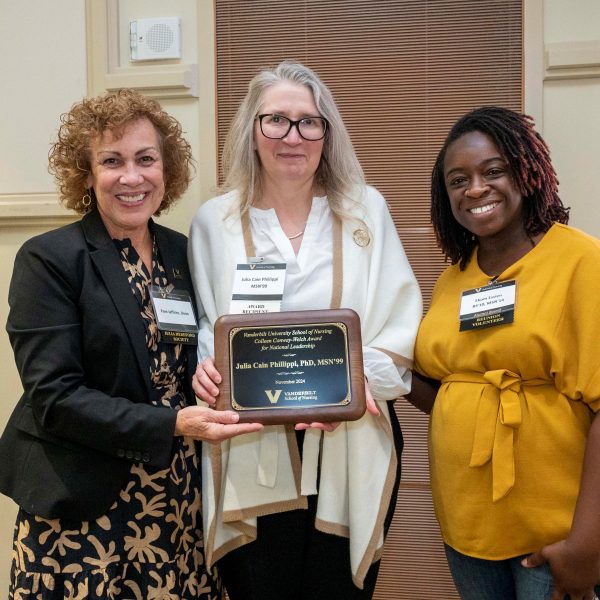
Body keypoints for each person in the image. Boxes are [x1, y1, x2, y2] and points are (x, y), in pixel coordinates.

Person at [0, 89, 262, 600]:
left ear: (168, 169)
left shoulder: (181, 252)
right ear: (86, 173)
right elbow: (55, 397)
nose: (132, 177)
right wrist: (173, 423)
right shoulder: (50, 260)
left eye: (146, 159)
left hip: (177, 498)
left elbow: (202, 348)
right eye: (111, 161)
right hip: (85, 507)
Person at [188, 61, 422, 599]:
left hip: (350, 438)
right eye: (276, 121)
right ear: (252, 130)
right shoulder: (214, 221)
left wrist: (362, 384)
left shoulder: (366, 211)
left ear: (326, 134)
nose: (293, 136)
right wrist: (208, 369)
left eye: (309, 123)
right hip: (251, 448)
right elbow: (208, 319)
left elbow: (401, 319)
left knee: (337, 588)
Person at [409, 106, 600, 600]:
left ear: (527, 172)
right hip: (466, 530)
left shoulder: (580, 260)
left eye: (493, 171)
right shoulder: (455, 277)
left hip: (554, 535)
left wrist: (586, 544)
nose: (475, 189)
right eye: (458, 180)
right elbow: (448, 388)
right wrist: (362, 367)